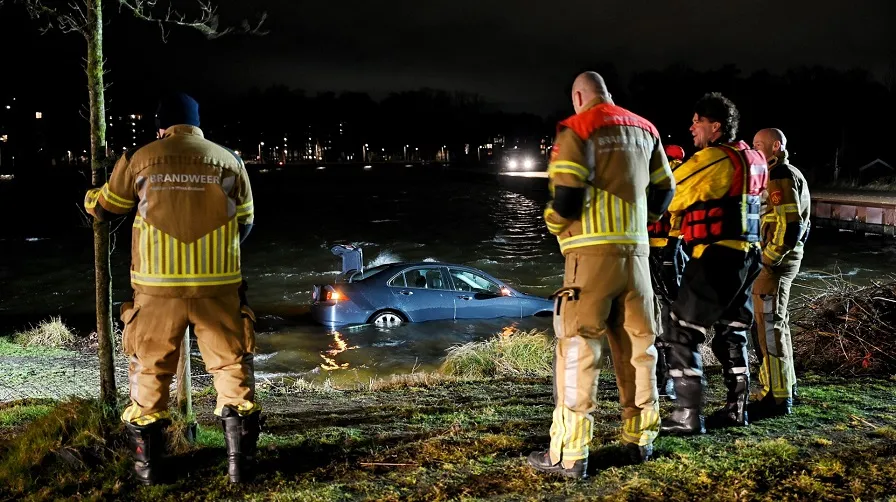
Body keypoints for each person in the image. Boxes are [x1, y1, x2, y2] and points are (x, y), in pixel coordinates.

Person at [84, 92, 259, 485]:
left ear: (162, 127)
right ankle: (240, 468)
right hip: (218, 287)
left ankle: (148, 471)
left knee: (150, 373)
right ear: (197, 124)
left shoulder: (140, 157)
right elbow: (245, 222)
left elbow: (107, 206)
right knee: (232, 369)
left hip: (156, 289)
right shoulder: (229, 160)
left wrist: (91, 197)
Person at [527, 71, 674, 478]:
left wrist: (553, 222)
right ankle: (640, 440)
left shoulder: (578, 128)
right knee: (640, 351)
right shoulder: (646, 130)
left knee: (578, 350)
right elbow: (666, 190)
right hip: (637, 259)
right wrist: (641, 221)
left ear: (578, 97)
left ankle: (570, 454)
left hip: (589, 260)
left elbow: (567, 197)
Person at [660, 93, 768, 434]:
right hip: (748, 256)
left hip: (716, 255)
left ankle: (687, 415)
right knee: (732, 331)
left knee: (681, 330)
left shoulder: (711, 159)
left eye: (698, 121)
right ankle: (737, 410)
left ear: (716, 126)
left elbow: (671, 195)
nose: (692, 127)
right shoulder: (754, 158)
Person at [751, 128, 810, 416]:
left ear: (775, 146)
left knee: (769, 330)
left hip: (774, 267)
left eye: (758, 145)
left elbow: (791, 226)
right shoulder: (790, 173)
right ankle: (785, 387)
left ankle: (776, 396)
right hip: (781, 264)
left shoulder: (780, 175)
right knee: (777, 326)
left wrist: (767, 259)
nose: (755, 150)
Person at [648, 144, 688, 400]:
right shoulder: (676, 177)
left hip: (657, 252)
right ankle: (666, 377)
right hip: (667, 253)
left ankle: (665, 377)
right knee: (667, 314)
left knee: (659, 315)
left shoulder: (657, 178)